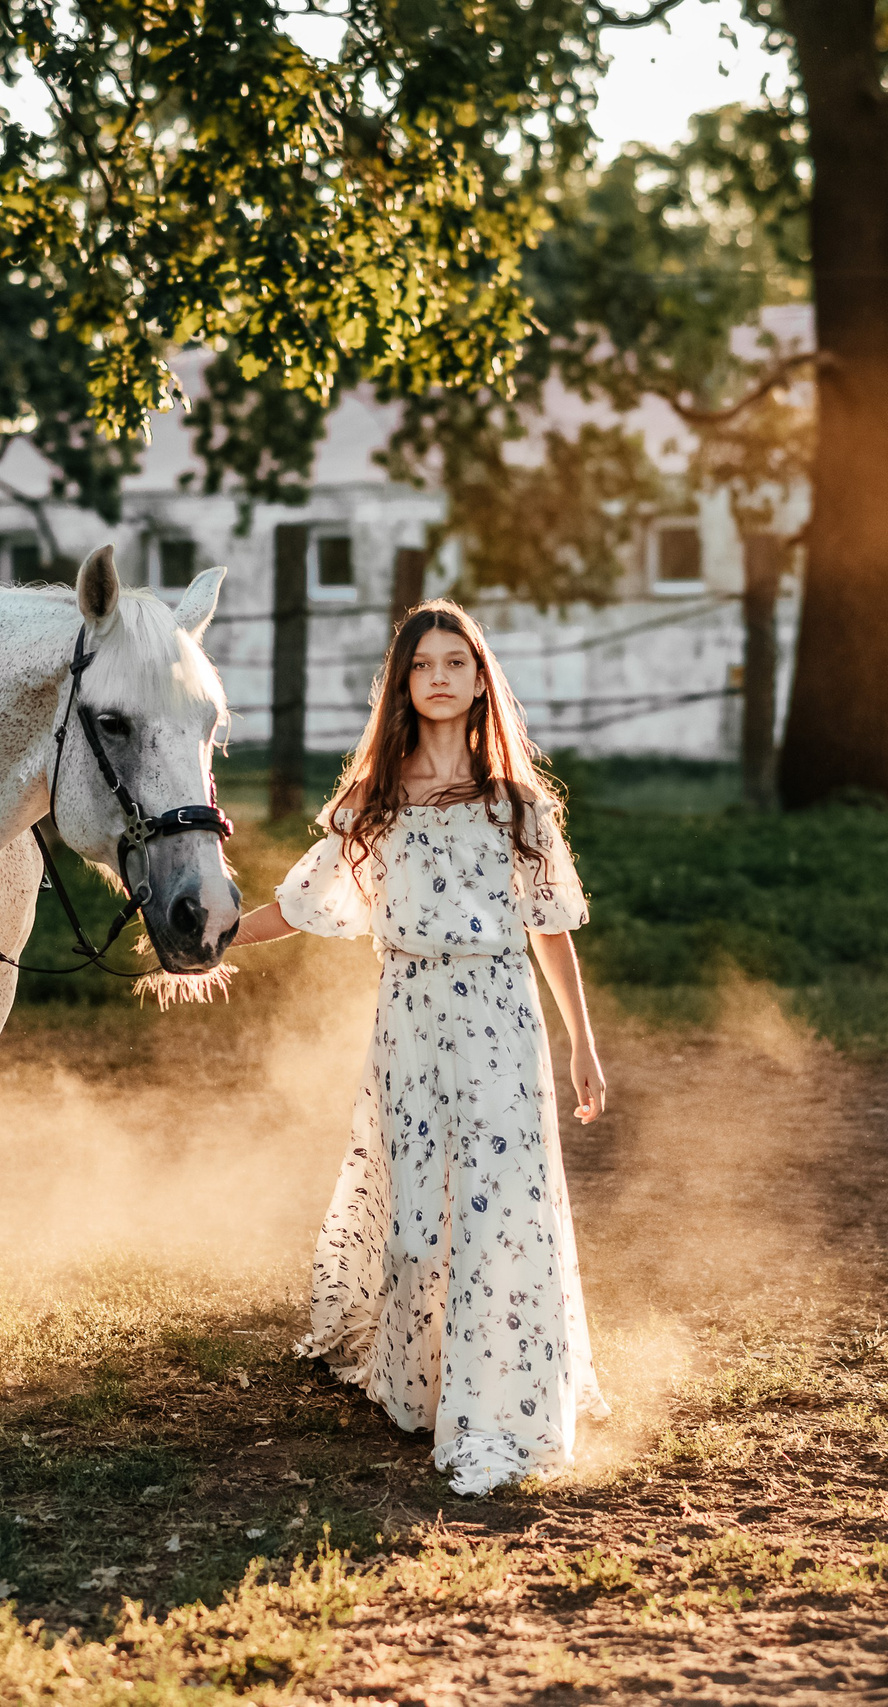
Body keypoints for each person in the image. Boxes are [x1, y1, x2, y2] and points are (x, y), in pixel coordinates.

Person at [232, 600, 611, 1496]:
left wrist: (581, 1044)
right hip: (409, 1021)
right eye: (422, 664)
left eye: (455, 662)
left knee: (501, 1214)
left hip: (501, 1021)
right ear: (402, 685)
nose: (439, 677)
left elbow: (549, 928)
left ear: (481, 682)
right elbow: (301, 904)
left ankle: (501, 1405)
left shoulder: (516, 806)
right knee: (415, 1226)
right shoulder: (375, 802)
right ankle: (426, 1386)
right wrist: (212, 938)